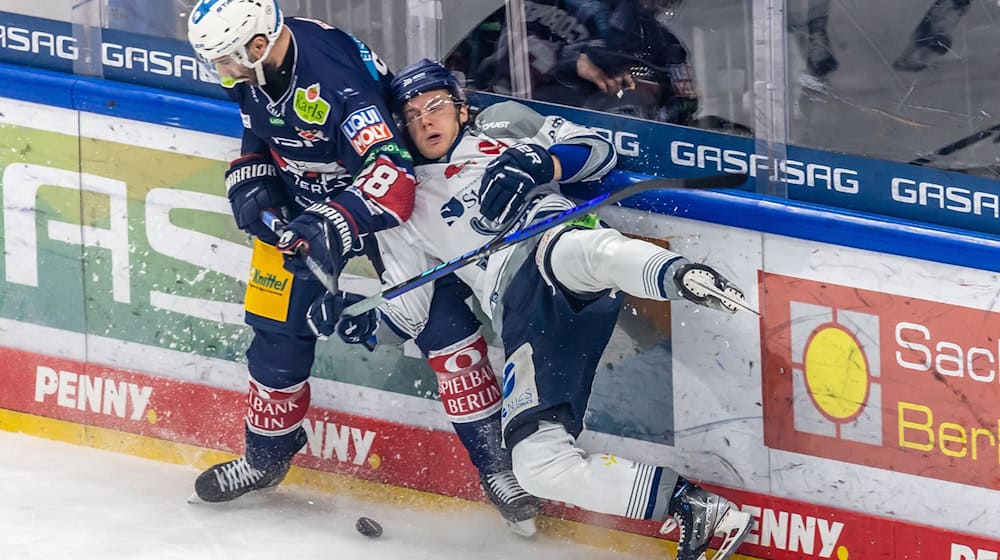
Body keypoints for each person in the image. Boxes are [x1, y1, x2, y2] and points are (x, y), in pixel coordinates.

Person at [319, 59, 753, 560]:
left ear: (460, 107)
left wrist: (542, 164)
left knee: (574, 253)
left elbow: (600, 150)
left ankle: (681, 275)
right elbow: (407, 313)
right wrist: (361, 322)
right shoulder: (402, 206)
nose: (426, 121)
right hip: (518, 310)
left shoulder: (504, 123)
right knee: (536, 464)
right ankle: (693, 506)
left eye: (435, 106)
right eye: (412, 116)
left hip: (550, 244)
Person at [185, 0, 539, 534]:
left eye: (228, 61)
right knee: (275, 333)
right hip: (306, 208)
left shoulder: (336, 84)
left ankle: (498, 469)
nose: (223, 73)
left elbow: (394, 180)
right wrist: (253, 178)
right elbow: (262, 126)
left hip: (380, 211)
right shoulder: (258, 63)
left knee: (446, 332)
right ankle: (266, 457)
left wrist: (331, 223)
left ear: (258, 46)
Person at [473, 0, 698, 125]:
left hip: (625, 141)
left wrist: (653, 88)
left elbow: (683, 104)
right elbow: (493, 69)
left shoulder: (667, 44)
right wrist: (571, 61)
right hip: (533, 128)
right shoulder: (523, 7)